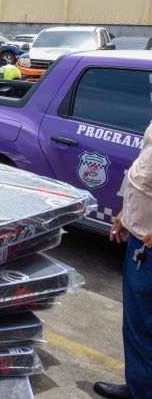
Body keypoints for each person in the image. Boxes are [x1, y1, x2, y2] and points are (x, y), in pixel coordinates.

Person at [94, 121, 152, 399]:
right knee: (138, 324)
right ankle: (141, 387)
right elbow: (144, 171)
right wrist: (126, 212)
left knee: (145, 325)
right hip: (141, 235)